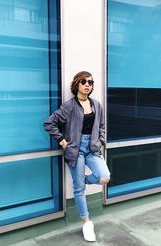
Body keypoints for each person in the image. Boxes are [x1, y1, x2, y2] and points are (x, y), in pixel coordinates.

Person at [44, 71, 110, 242]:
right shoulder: (69, 106)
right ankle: (87, 223)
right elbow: (49, 123)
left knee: (104, 177)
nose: (87, 84)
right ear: (76, 84)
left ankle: (85, 180)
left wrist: (100, 140)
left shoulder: (96, 105)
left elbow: (102, 126)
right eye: (83, 81)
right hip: (75, 150)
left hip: (92, 148)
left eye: (90, 82)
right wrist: (62, 141)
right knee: (78, 189)